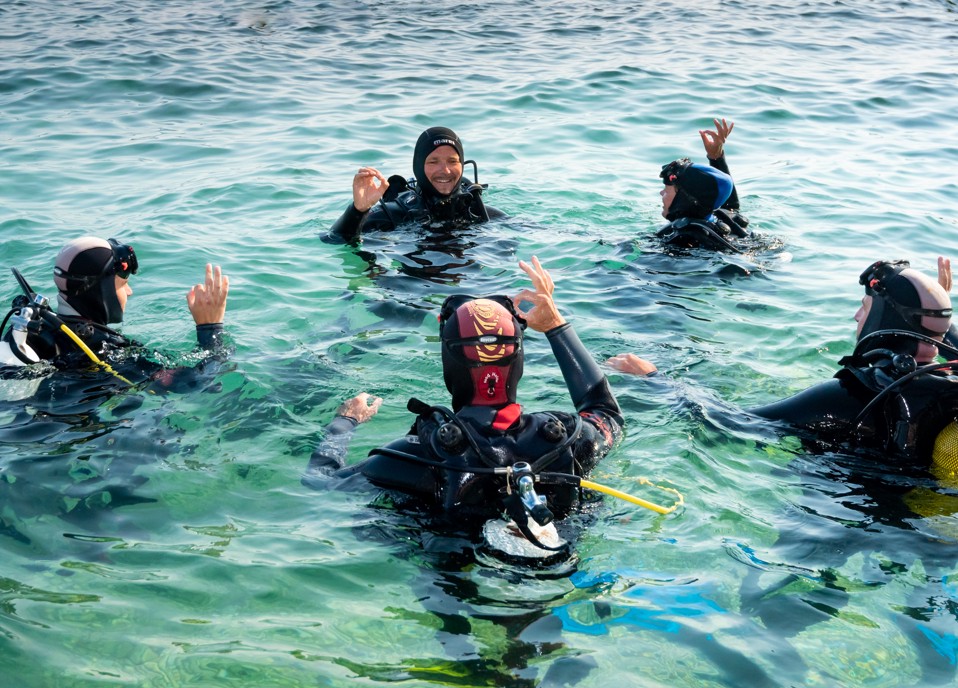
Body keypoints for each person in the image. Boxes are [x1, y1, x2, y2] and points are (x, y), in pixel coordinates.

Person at [304, 257, 624, 554]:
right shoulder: (564, 439)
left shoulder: (414, 456)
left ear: (450, 363)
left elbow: (319, 481)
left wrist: (344, 423)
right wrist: (556, 325)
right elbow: (607, 413)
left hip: (457, 591)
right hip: (558, 564)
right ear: (518, 359)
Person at [610, 258, 958, 463]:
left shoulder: (848, 396)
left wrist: (654, 378)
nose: (855, 317)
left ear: (883, 319)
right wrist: (936, 313)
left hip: (843, 515)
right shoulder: (947, 386)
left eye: (865, 308)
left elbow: (731, 423)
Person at [1, 235, 229, 382]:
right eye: (123, 284)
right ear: (103, 290)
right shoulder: (103, 350)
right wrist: (210, 328)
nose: (129, 292)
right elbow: (194, 383)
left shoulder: (39, 329)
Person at [324, 126, 507, 244]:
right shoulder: (395, 214)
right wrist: (358, 210)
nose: (445, 170)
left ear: (462, 164)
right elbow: (334, 239)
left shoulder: (478, 212)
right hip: (411, 289)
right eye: (433, 161)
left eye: (452, 161)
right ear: (418, 167)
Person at [656, 118, 751, 252]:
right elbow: (727, 203)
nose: (661, 193)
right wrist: (716, 158)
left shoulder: (683, 240)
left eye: (667, 190)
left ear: (684, 200)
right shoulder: (722, 218)